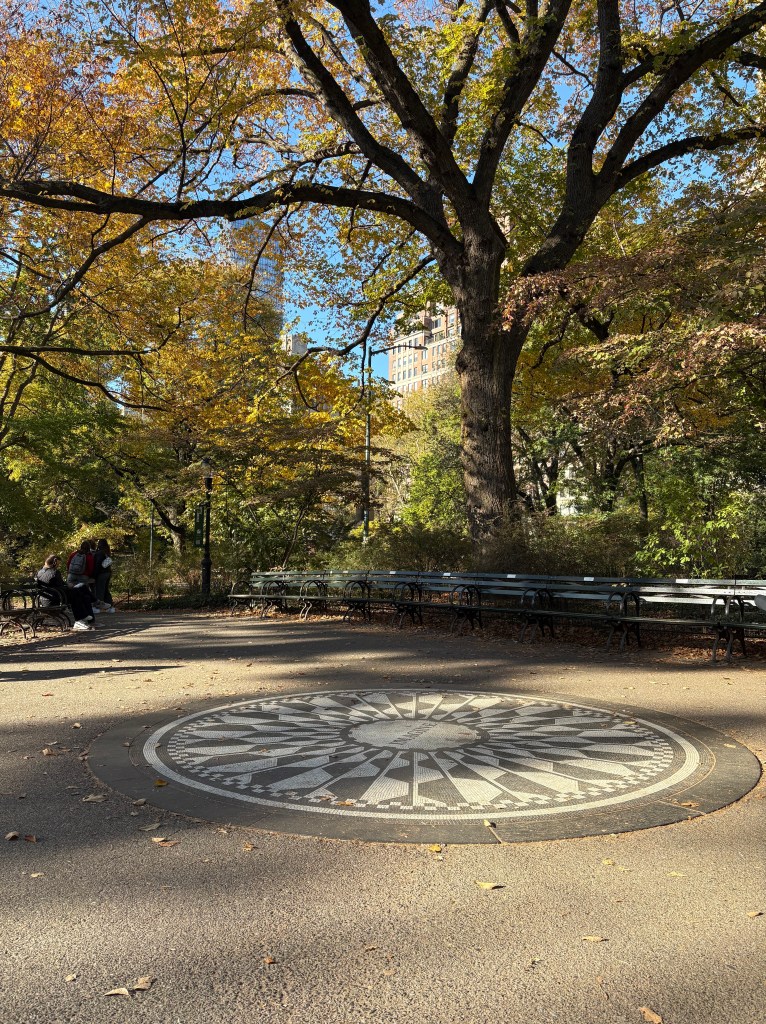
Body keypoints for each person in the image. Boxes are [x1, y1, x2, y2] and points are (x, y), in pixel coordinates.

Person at [36, 555, 95, 631]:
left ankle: (84, 616)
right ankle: (82, 616)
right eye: (58, 564)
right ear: (54, 563)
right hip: (54, 599)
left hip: (45, 600)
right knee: (77, 592)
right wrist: (69, 586)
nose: (58, 566)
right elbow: (61, 587)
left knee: (80, 592)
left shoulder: (39, 572)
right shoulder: (54, 572)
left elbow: (56, 586)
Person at [93, 539, 115, 612]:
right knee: (106, 590)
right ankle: (110, 607)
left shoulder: (100, 553)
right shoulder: (107, 551)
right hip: (108, 572)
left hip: (101, 574)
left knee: (100, 590)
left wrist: (94, 575)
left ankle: (98, 607)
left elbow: (98, 565)